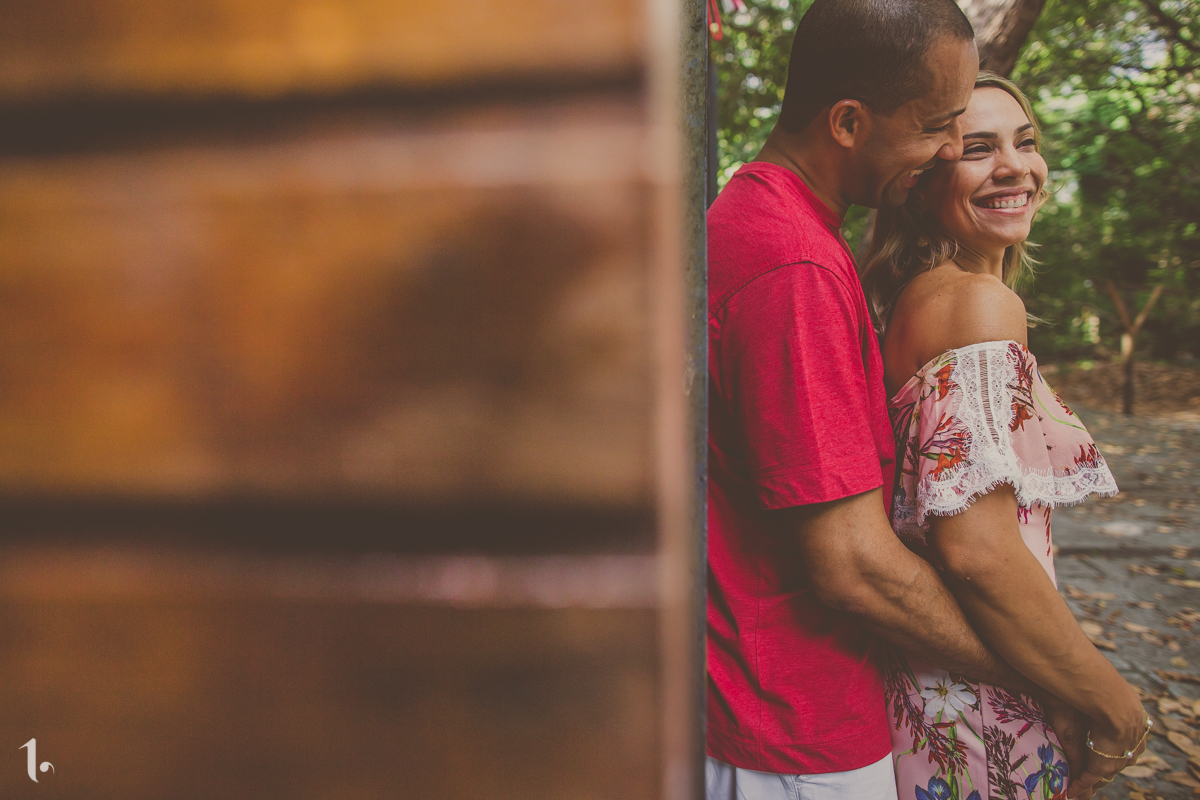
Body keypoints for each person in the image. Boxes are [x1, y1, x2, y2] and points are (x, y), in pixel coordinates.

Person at [706, 2, 1137, 798]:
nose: (949, 150)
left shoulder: (803, 244)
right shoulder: (795, 265)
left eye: (1023, 140)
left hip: (825, 708)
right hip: (795, 727)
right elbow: (861, 565)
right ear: (847, 122)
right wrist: (1078, 688)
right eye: (947, 130)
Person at [860, 73, 1150, 800]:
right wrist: (1112, 702)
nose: (1015, 165)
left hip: (932, 697)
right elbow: (980, 552)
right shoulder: (977, 304)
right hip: (985, 709)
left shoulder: (915, 299)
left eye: (1025, 142)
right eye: (978, 149)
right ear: (922, 182)